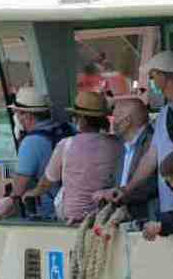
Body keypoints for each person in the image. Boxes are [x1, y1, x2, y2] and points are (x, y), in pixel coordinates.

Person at [0, 87, 72, 226]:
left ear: (28, 115)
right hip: (74, 204)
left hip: (50, 214)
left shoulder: (31, 143)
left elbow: (17, 190)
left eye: (17, 113)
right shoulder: (69, 128)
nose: (16, 117)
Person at [118, 51, 173, 216]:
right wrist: (126, 189)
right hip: (170, 206)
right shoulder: (165, 113)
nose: (152, 82)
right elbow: (152, 157)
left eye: (153, 76)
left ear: (164, 76)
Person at [22, 92, 120, 223]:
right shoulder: (117, 144)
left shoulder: (66, 144)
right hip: (105, 215)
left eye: (74, 116)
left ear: (82, 119)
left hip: (73, 216)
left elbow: (46, 183)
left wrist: (31, 193)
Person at [96, 96, 158, 221]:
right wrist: (104, 192)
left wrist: (118, 194)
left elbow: (152, 184)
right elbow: (113, 180)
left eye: (116, 117)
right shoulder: (121, 145)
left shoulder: (153, 142)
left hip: (146, 219)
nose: (112, 123)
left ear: (127, 121)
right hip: (121, 218)